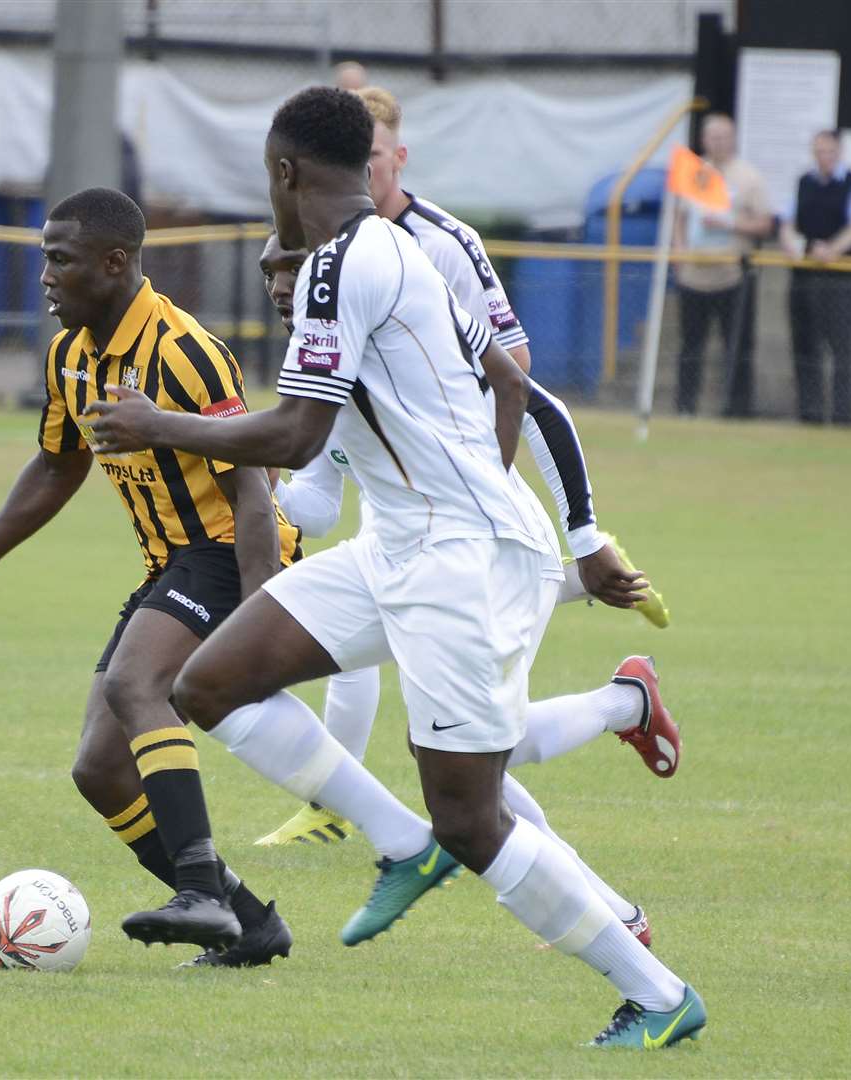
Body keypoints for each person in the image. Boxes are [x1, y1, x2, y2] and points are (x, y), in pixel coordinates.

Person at [84, 87, 704, 1049]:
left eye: (267, 179)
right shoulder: (393, 253)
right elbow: (503, 378)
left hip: (458, 561)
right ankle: (400, 841)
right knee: (206, 682)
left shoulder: (345, 266)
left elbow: (295, 436)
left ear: (286, 174)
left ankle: (659, 994)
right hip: (403, 546)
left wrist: (158, 425)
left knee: (472, 812)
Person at [254, 85, 677, 847]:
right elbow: (317, 464)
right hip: (400, 519)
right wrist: (271, 502)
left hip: (465, 517)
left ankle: (613, 724)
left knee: (468, 747)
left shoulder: (434, 245)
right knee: (409, 713)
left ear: (392, 158)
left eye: (374, 160)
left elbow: (519, 379)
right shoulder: (328, 265)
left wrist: (570, 525)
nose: (366, 176)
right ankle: (349, 811)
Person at [0, 187, 297, 966]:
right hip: (171, 562)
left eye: (59, 259)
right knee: (101, 770)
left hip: (231, 553)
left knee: (132, 685)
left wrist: (260, 615)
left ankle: (201, 890)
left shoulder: (184, 351)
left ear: (114, 264)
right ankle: (249, 925)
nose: (45, 275)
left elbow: (251, 484)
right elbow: (56, 467)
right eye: (44, 257)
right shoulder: (69, 356)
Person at [671, 114, 771, 418]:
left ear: (734, 138)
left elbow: (765, 224)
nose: (718, 142)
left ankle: (737, 410)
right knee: (690, 346)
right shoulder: (692, 172)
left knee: (737, 347)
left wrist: (730, 222)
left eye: (724, 136)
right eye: (712, 136)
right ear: (703, 140)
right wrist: (680, 254)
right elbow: (680, 218)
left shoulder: (748, 177)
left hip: (731, 277)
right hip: (694, 277)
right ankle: (685, 408)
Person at [779, 130, 851, 425]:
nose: (824, 157)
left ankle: (842, 416)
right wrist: (793, 245)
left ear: (839, 151)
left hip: (839, 279)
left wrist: (831, 250)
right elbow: (787, 222)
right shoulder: (803, 182)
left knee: (841, 350)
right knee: (805, 347)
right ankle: (809, 413)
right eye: (819, 151)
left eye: (830, 151)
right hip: (804, 276)